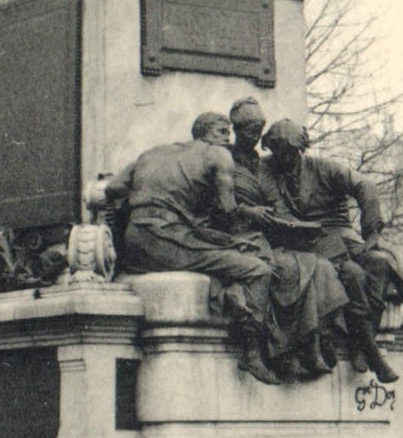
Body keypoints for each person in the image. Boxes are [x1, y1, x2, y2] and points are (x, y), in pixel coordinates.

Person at [85, 111, 278, 382]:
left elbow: (114, 188)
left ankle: (232, 298)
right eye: (224, 132)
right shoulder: (218, 155)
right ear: (208, 133)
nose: (228, 139)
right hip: (168, 240)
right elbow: (227, 211)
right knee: (257, 269)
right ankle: (252, 353)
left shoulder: (152, 153)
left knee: (217, 256)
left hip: (135, 244)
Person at [256, 120, 403, 384]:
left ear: (301, 149)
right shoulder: (266, 170)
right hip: (307, 241)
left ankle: (363, 341)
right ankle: (370, 352)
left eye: (290, 152)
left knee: (381, 264)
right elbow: (275, 211)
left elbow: (365, 187)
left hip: (341, 234)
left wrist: (371, 233)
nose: (284, 159)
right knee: (352, 274)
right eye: (277, 152)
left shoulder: (323, 168)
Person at [227, 98, 349, 380]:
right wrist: (248, 212)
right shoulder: (222, 160)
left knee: (319, 265)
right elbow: (217, 205)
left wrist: (298, 226)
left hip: (266, 236)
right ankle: (281, 351)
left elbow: (275, 203)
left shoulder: (262, 166)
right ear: (236, 129)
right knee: (289, 268)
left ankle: (310, 346)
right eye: (248, 130)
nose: (255, 136)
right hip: (238, 236)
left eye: (259, 130)